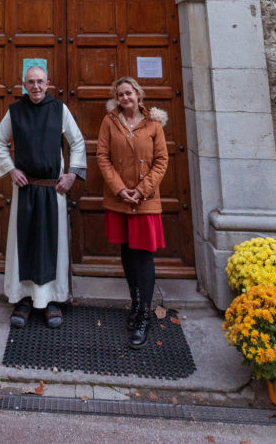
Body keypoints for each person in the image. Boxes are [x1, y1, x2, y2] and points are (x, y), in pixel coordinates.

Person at [0, 65, 86, 329]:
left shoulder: (59, 110)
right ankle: (22, 299)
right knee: (24, 245)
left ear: (48, 84)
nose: (35, 86)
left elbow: (77, 141)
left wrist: (72, 175)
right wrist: (11, 169)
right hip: (25, 189)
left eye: (40, 82)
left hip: (53, 189)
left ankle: (52, 300)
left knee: (51, 244)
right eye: (31, 82)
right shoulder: (15, 111)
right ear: (24, 84)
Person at [96, 75, 169, 348]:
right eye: (120, 95)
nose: (124, 98)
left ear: (139, 95)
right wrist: (119, 189)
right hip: (120, 198)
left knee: (144, 256)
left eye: (128, 93)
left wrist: (142, 190)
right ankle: (135, 305)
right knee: (127, 252)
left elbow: (161, 160)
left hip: (144, 200)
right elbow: (102, 156)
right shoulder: (109, 122)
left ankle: (145, 315)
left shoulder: (153, 124)